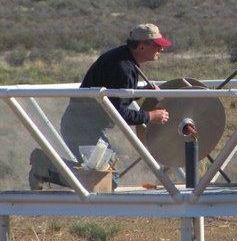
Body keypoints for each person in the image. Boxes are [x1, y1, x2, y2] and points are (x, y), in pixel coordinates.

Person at [29, 23, 172, 189]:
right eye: (157, 45)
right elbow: (118, 113)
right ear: (142, 46)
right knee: (108, 180)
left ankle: (46, 164)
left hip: (82, 124)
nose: (161, 49)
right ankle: (45, 167)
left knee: (100, 175)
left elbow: (114, 96)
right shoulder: (123, 67)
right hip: (83, 127)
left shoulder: (122, 58)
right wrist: (150, 116)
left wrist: (142, 92)